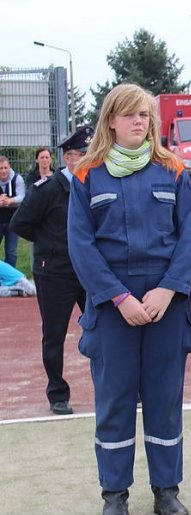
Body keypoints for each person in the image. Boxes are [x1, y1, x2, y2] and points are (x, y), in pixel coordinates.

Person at [68, 83, 191, 515]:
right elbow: (81, 247)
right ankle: (115, 495)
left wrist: (168, 289)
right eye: (128, 115)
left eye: (144, 115)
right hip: (112, 307)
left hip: (166, 303)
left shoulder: (173, 170)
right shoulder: (88, 174)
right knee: (115, 401)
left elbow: (190, 237)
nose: (138, 123)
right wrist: (119, 297)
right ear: (111, 121)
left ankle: (167, 492)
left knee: (165, 401)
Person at [10, 126, 92, 416]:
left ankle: (115, 387)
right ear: (69, 158)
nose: (89, 159)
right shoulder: (47, 189)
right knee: (54, 334)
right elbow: (20, 224)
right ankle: (58, 394)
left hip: (89, 271)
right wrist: (51, 244)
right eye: (83, 154)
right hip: (54, 272)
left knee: (103, 329)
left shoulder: (94, 185)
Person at [0, 156, 27, 268]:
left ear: (9, 167)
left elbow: (22, 196)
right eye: (0, 168)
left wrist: (10, 201)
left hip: (13, 221)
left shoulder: (17, 178)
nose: (3, 171)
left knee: (11, 253)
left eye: (5, 167)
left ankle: (9, 280)